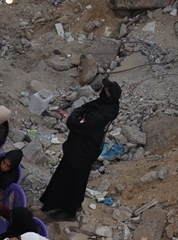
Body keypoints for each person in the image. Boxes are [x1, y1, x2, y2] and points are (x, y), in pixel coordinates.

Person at [41, 78, 121, 220]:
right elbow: (86, 107)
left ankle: (68, 211)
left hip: (81, 151)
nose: (100, 90)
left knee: (69, 179)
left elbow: (74, 123)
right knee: (78, 179)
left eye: (103, 89)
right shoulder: (108, 106)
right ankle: (74, 203)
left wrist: (74, 117)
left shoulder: (97, 115)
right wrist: (79, 114)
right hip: (88, 148)